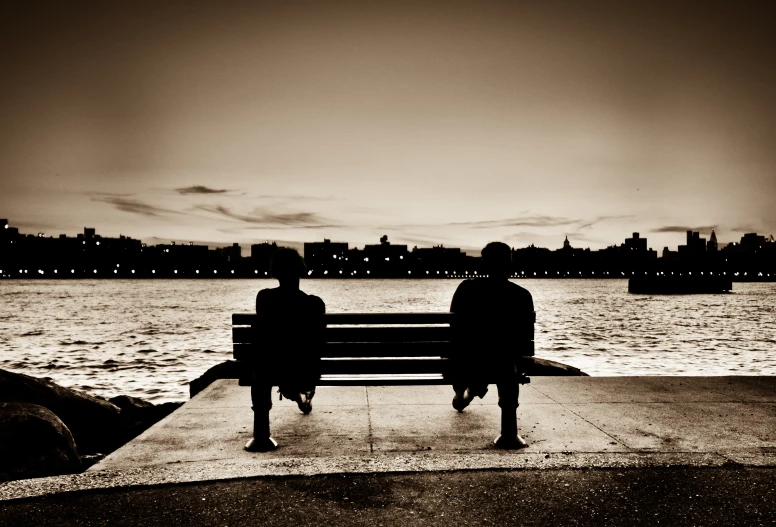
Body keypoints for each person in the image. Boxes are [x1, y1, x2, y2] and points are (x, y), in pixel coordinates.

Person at [448, 241, 534, 448]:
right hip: (504, 365)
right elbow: (523, 342)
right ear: (509, 265)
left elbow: (454, 330)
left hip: (468, 362)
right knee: (505, 360)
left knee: (472, 356)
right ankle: (509, 434)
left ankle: (463, 393)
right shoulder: (522, 295)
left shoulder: (466, 288)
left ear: (484, 265)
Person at [246, 248, 325, 452]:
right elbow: (318, 342)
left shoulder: (264, 299)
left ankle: (261, 436)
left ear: (275, 272)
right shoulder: (314, 304)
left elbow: (265, 336)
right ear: (300, 270)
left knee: (265, 366)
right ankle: (299, 392)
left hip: (271, 369)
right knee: (294, 363)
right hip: (305, 369)